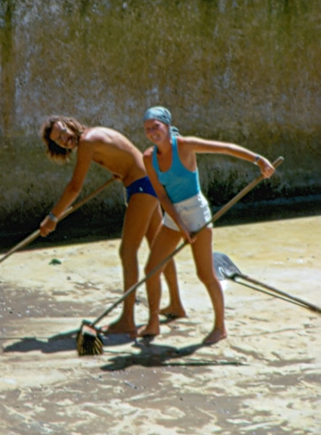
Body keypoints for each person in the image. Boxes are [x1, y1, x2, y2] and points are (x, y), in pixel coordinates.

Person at [140, 106, 275, 345]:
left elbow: (224, 148)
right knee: (152, 268)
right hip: (173, 215)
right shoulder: (147, 157)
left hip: (196, 213)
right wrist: (179, 225)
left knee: (205, 273)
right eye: (148, 129)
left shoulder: (184, 145)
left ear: (167, 126)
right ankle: (153, 322)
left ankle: (220, 327)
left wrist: (258, 159)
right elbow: (161, 194)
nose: (152, 132)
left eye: (156, 126)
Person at [38, 115, 186, 336]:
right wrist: (123, 171)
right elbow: (125, 155)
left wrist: (52, 217)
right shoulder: (95, 135)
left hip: (143, 186)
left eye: (64, 132)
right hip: (149, 181)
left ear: (70, 124)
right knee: (158, 245)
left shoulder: (87, 140)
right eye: (59, 140)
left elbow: (74, 187)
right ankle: (175, 304)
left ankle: (127, 319)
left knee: (128, 251)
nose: (65, 138)